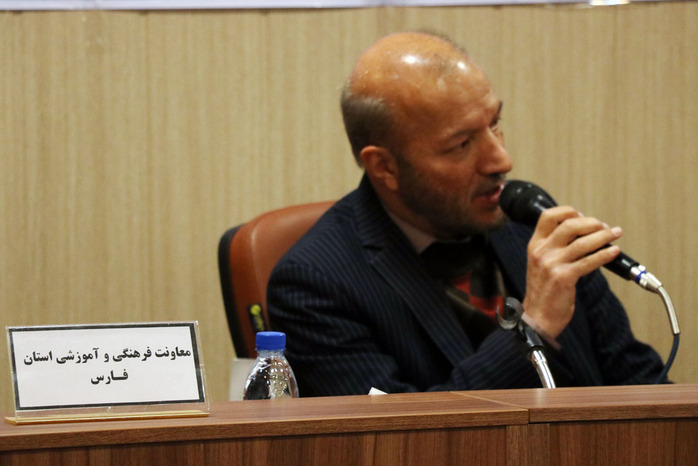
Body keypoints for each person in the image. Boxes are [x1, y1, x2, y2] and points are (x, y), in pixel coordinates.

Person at [267, 31, 665, 397]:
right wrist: (533, 327)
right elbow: (402, 437)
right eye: (461, 144)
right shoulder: (314, 285)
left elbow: (640, 382)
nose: (501, 160)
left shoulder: (529, 220)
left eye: (495, 123)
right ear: (384, 166)